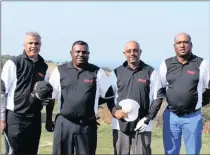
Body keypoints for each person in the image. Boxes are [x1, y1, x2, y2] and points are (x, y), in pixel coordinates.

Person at [136, 33, 210, 154]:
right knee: (170, 152)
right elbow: (161, 90)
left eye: (185, 42)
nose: (182, 45)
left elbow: (209, 88)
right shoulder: (166, 64)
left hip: (193, 117)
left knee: (193, 152)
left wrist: (198, 103)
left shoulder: (202, 64)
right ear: (174, 46)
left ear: (191, 45)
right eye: (179, 43)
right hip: (171, 117)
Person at [46, 40, 114, 155]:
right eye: (78, 52)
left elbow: (109, 95)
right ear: (71, 53)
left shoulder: (97, 72)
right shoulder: (60, 71)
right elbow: (51, 97)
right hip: (64, 123)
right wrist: (48, 119)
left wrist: (92, 104)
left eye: (84, 52)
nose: (81, 55)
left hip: (87, 125)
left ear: (88, 54)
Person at [108, 41, 164, 155]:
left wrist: (147, 119)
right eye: (129, 51)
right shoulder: (116, 72)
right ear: (124, 53)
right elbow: (108, 96)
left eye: (135, 50)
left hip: (142, 125)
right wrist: (114, 111)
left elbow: (158, 98)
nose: (132, 53)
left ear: (140, 52)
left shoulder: (151, 72)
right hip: (120, 124)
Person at [1, 32, 52, 154]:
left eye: (37, 43)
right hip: (15, 118)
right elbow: (2, 93)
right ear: (24, 45)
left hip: (35, 119)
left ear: (40, 45)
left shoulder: (44, 67)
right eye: (30, 43)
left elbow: (47, 94)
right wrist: (2, 119)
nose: (34, 46)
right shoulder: (13, 63)